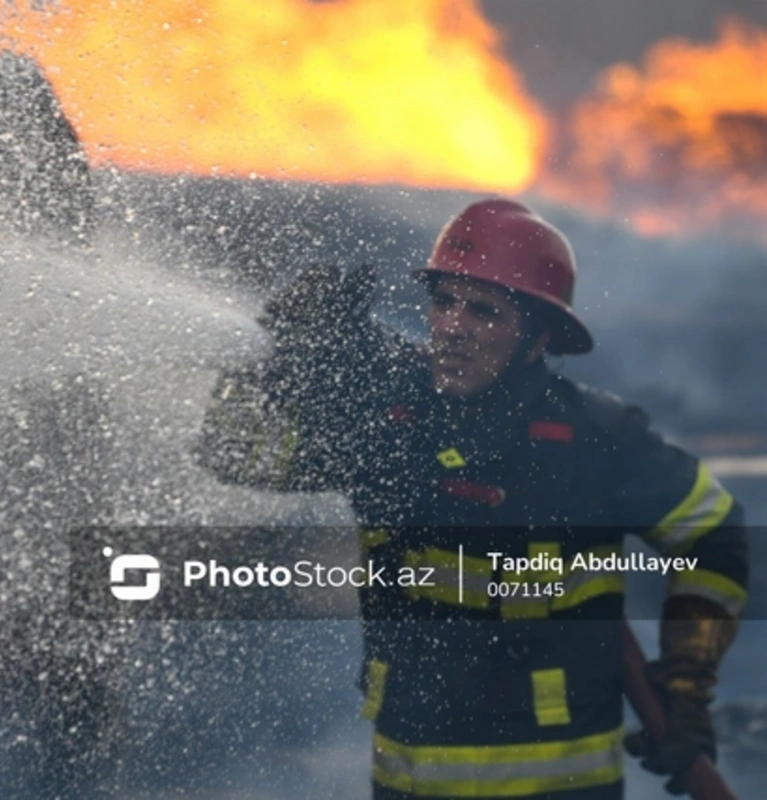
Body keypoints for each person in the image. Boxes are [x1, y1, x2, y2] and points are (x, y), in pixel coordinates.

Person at [196, 198, 749, 799]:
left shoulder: (595, 437)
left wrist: (687, 684)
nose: (454, 326)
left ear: (538, 338)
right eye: (443, 302)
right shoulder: (385, 422)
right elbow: (235, 457)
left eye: (484, 311)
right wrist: (278, 370)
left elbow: (713, 532)